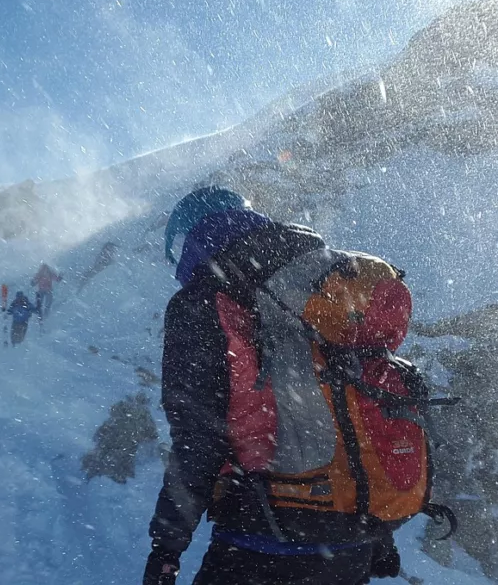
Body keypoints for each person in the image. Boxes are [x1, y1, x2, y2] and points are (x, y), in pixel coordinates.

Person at [144, 186, 403, 585]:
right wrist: (379, 532)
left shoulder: (203, 302)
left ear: (192, 238)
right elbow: (357, 405)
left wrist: (166, 548)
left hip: (263, 536)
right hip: (350, 541)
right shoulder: (320, 281)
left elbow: (198, 439)